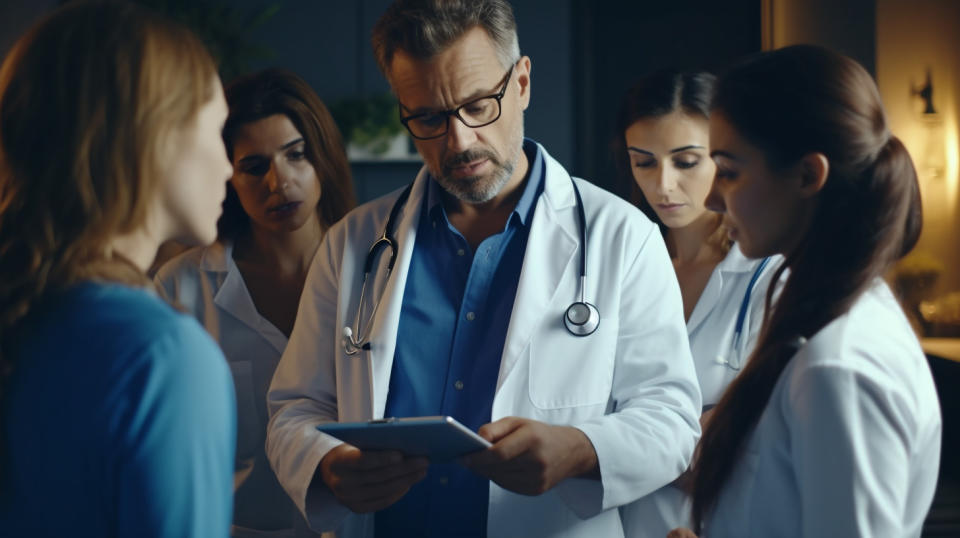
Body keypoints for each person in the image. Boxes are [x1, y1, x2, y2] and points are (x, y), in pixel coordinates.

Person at [266, 1, 703, 537]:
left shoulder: (623, 237)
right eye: (428, 117)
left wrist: (581, 450)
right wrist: (325, 464)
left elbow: (671, 418)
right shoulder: (354, 243)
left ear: (520, 83)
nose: (459, 141)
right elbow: (296, 406)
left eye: (478, 105)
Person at [672, 45, 941, 537]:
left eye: (728, 172)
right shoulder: (827, 320)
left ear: (807, 175)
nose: (711, 198)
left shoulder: (838, 368)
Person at [0, 2, 236, 537]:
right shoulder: (161, 358)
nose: (228, 166)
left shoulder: (25, 311)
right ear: (154, 137)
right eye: (217, 131)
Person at [155, 68, 356, 537]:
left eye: (296, 155)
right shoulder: (181, 288)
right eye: (254, 166)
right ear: (228, 176)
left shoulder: (378, 272)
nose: (278, 182)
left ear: (322, 157)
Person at [614, 71, 782, 538]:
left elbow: (754, 449)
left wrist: (612, 448)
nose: (664, 185)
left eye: (686, 161)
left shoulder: (768, 276)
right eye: (643, 163)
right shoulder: (614, 272)